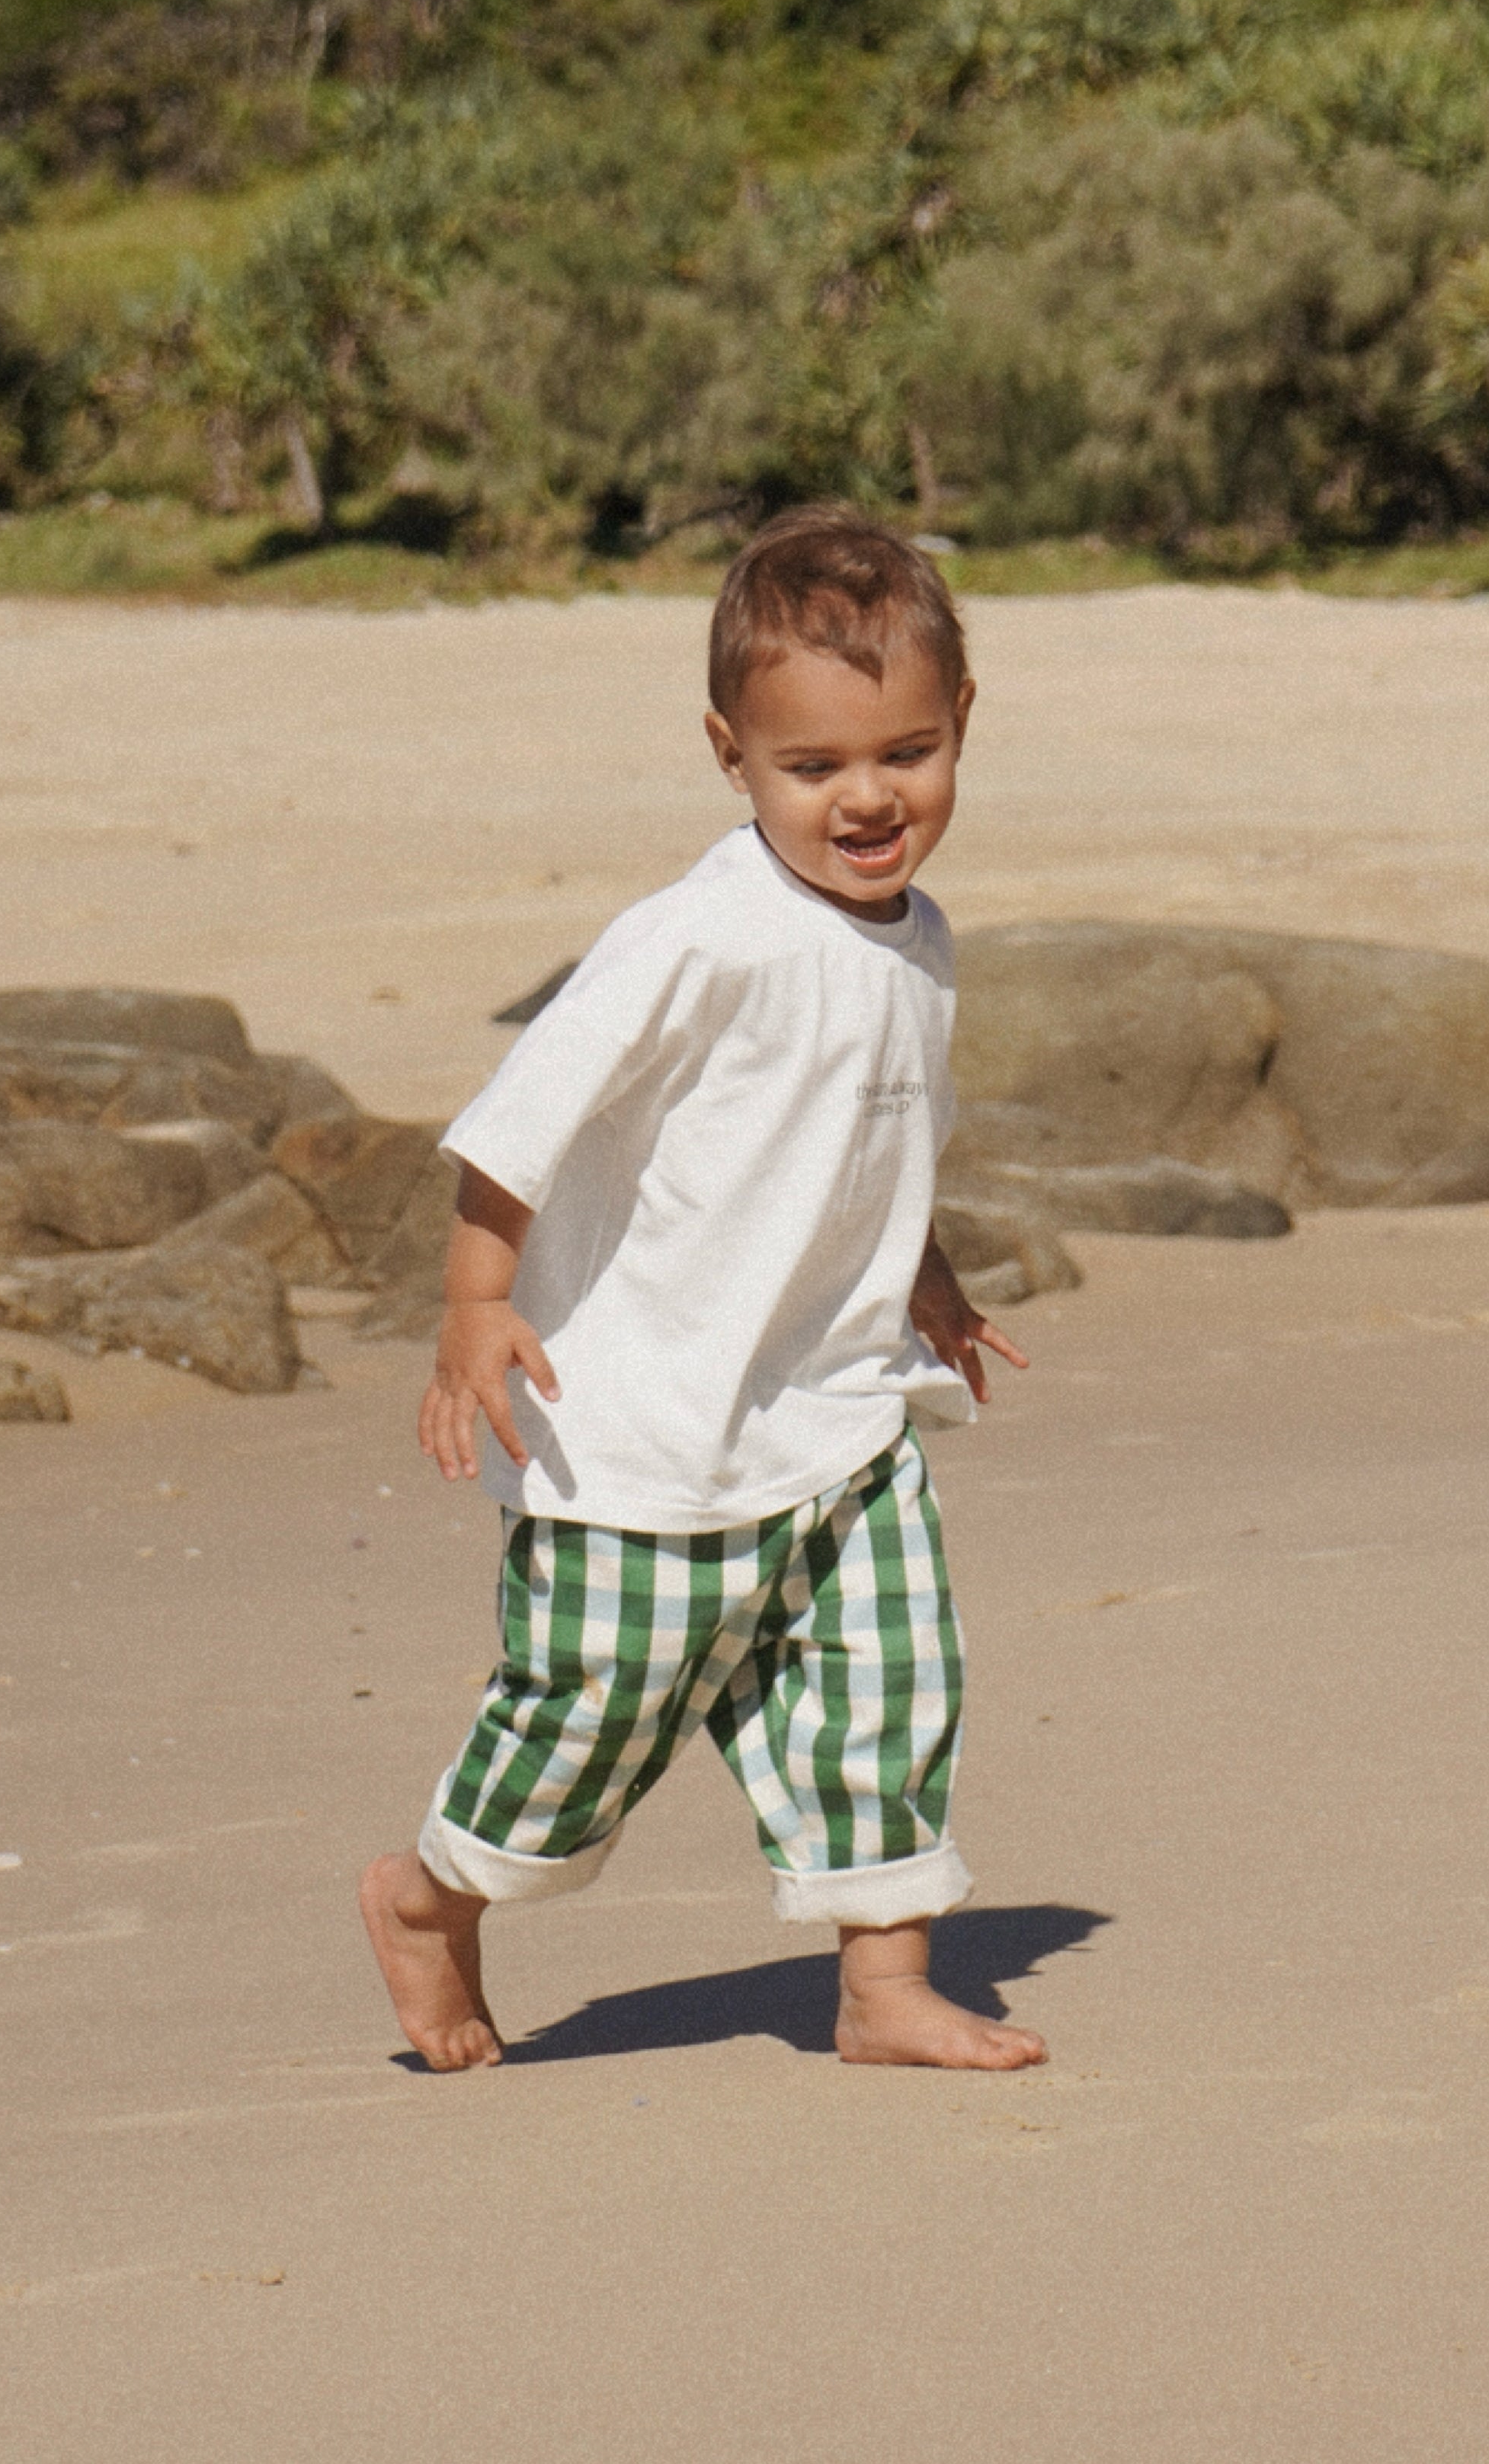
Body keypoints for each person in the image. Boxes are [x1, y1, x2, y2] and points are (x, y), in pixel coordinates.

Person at [358, 505, 1049, 2074]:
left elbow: (875, 1143)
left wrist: (924, 1281)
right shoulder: (693, 937)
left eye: (908, 750)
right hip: (642, 1427)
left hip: (835, 1411)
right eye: (812, 767)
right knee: (588, 1712)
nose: (866, 796)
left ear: (959, 732)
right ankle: (430, 1897)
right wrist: (473, 1302)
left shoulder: (918, 940)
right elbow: (519, 1118)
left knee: (889, 1682)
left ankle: (878, 1987)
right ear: (728, 754)